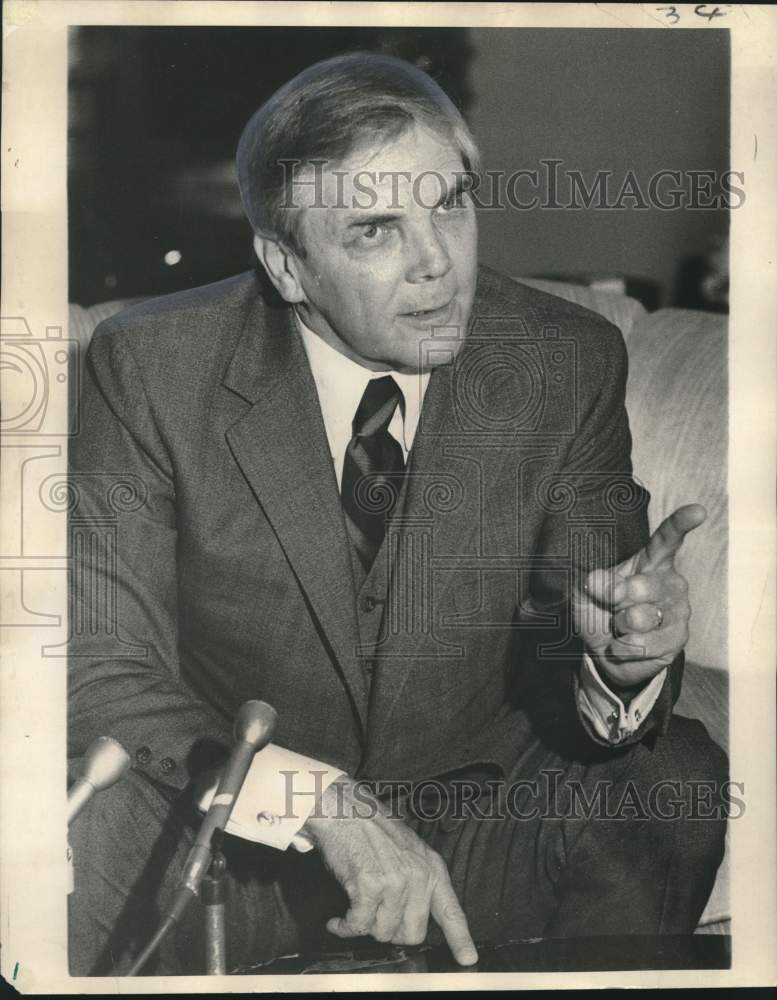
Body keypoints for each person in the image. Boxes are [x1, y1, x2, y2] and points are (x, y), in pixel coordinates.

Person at [67, 52, 727, 976]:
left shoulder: (561, 359)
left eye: (448, 205)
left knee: (672, 776)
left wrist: (622, 659)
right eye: (375, 229)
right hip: (239, 845)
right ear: (286, 265)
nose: (436, 264)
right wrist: (316, 800)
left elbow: (591, 615)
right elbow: (102, 665)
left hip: (477, 833)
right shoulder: (149, 367)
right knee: (82, 818)